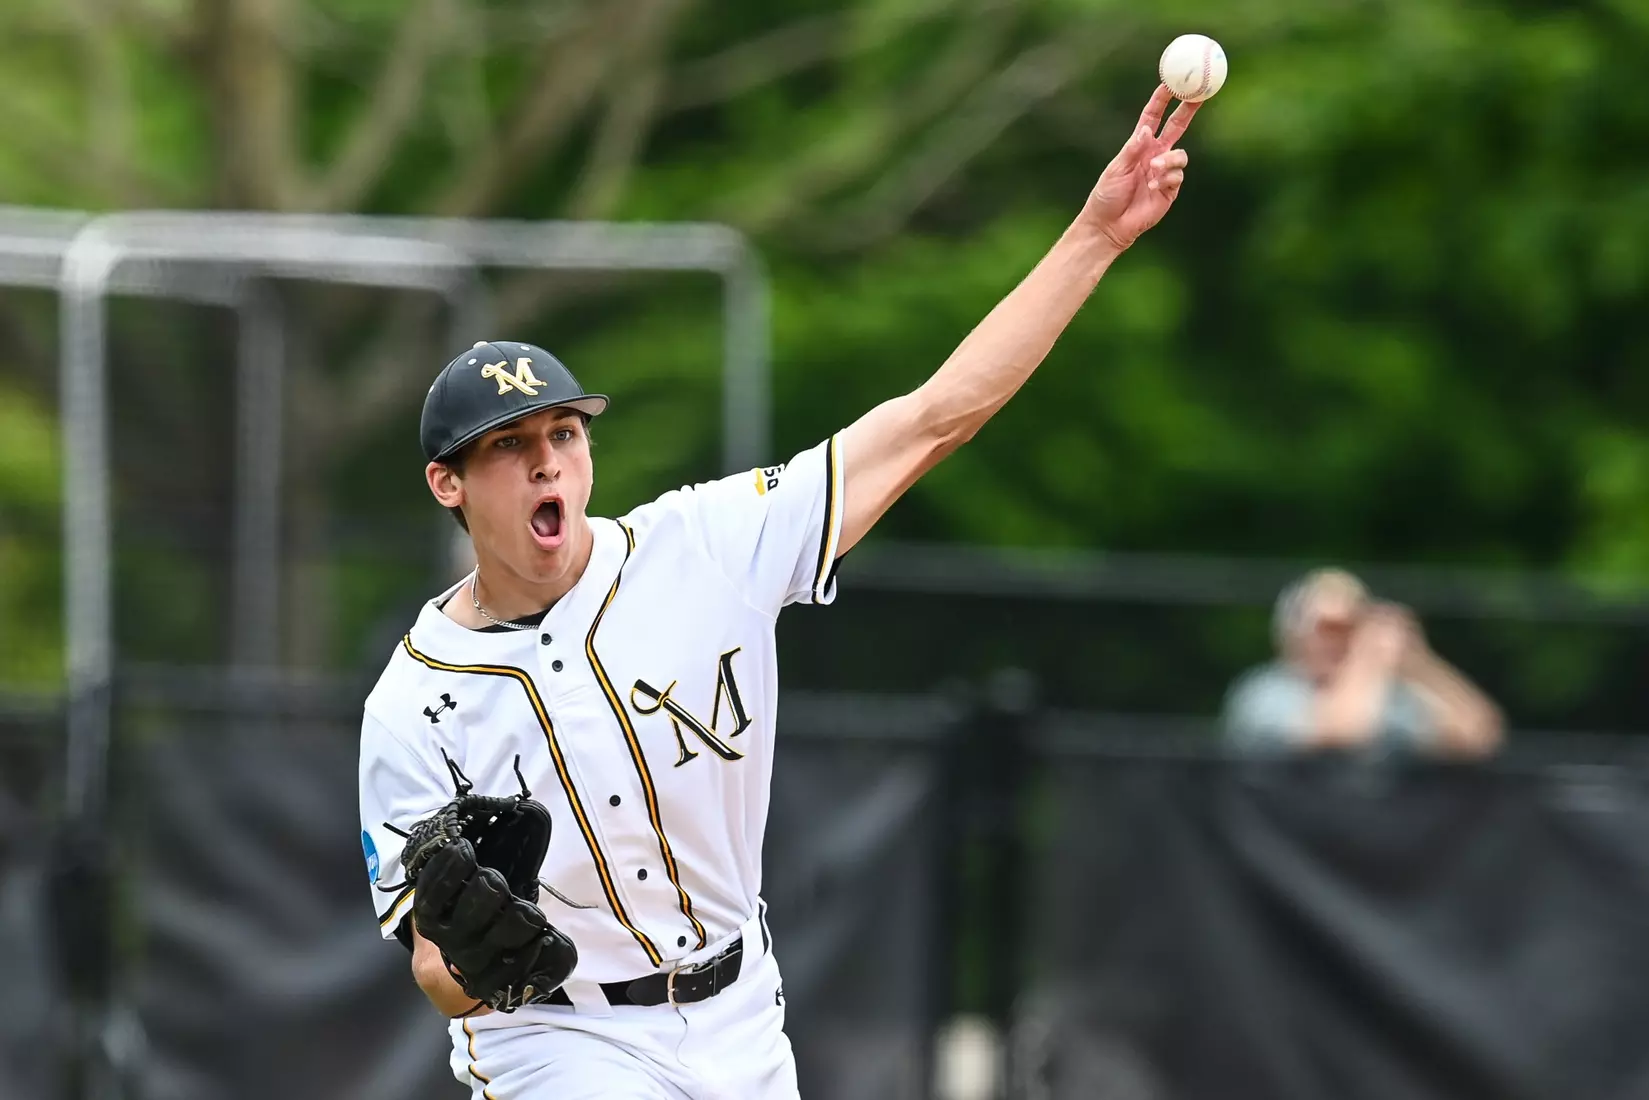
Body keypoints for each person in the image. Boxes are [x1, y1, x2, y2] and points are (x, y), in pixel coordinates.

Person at [358, 85, 1201, 1100]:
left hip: (738, 1011)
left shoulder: (705, 544)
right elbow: (433, 971)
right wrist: (473, 955)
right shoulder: (414, 701)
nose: (546, 464)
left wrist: (1093, 237)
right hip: (557, 1038)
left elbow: (933, 418)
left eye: (562, 434)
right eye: (508, 448)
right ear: (447, 483)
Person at [1222, 568, 1503, 759]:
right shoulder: (1264, 693)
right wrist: (1368, 657)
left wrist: (1418, 663)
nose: (1340, 641)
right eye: (1328, 628)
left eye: (1352, 628)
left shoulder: (1387, 695)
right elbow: (1339, 737)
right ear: (1293, 633)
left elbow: (1480, 736)